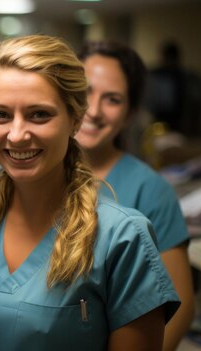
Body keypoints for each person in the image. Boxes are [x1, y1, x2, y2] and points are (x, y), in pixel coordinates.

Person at [0, 35, 180, 350]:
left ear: (75, 119)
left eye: (39, 115)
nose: (16, 135)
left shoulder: (121, 238)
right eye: (1, 114)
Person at [75, 40, 194, 351]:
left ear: (128, 115)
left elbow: (180, 310)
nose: (94, 110)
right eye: (85, 91)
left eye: (112, 99)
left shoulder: (150, 190)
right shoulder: (26, 173)